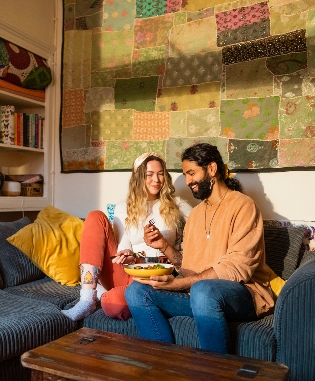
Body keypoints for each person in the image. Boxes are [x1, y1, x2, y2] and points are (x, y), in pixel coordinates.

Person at [125, 143, 275, 354]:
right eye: (186, 175)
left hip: (243, 296)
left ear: (212, 169)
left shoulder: (243, 206)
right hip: (198, 295)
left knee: (203, 290)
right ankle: (162, 363)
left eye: (192, 173)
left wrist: (178, 285)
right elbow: (187, 263)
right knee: (136, 291)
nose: (188, 181)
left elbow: (237, 269)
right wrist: (165, 247)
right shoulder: (195, 214)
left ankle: (213, 376)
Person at [61, 152, 192, 322]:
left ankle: (101, 293)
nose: (157, 180)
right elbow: (124, 247)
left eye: (160, 174)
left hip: (159, 273)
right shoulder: (124, 207)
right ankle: (86, 300)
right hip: (131, 270)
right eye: (149, 175)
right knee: (95, 216)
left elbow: (202, 223)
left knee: (113, 304)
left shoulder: (177, 204)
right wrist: (126, 254)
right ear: (138, 178)